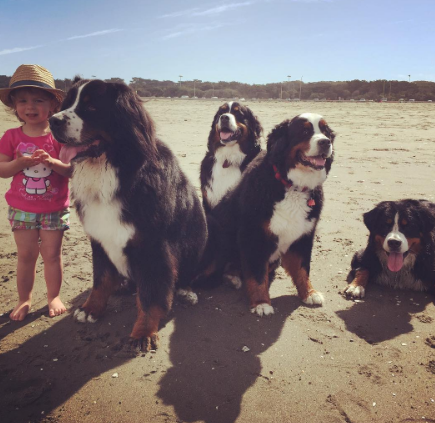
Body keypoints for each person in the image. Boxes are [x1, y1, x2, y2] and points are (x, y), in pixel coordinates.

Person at [0, 64, 71, 321]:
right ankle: (25, 299)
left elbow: (72, 170)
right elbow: (2, 169)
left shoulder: (59, 137)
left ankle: (53, 296)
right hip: (21, 209)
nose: (30, 106)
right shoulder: (11, 136)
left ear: (53, 105)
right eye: (23, 101)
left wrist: (52, 163)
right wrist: (19, 164)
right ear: (15, 106)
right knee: (26, 256)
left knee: (52, 255)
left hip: (55, 208)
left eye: (38, 100)